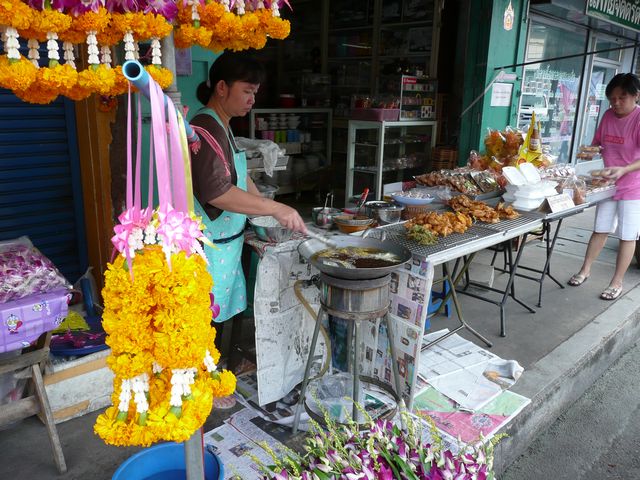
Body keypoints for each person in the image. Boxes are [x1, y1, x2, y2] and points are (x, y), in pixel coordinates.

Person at [190, 52, 307, 322]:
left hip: (225, 246)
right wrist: (275, 208)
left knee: (218, 321)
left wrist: (266, 213)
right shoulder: (205, 127)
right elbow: (217, 192)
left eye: (255, 92)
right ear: (222, 87)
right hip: (210, 250)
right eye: (247, 91)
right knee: (206, 325)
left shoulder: (222, 124)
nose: (252, 100)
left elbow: (239, 177)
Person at [568, 73, 640, 300]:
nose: (616, 103)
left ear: (636, 96)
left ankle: (617, 282)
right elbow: (599, 143)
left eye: (622, 98)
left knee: (627, 235)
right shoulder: (608, 115)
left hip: (633, 186)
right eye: (612, 98)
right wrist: (589, 151)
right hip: (607, 183)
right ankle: (585, 270)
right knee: (600, 228)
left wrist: (624, 170)